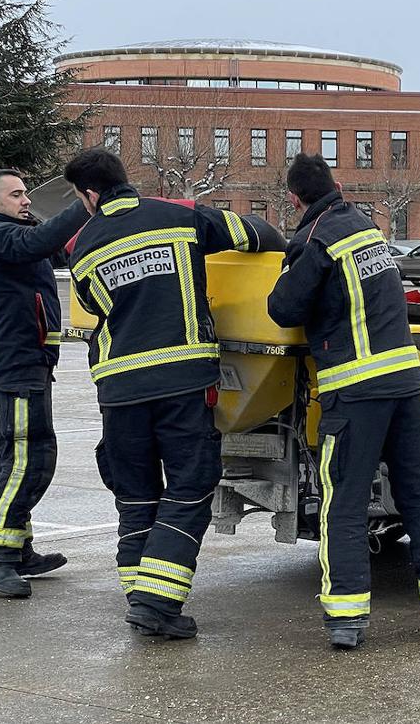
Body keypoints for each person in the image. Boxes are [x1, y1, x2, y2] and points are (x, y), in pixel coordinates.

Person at [64, 148, 271, 639]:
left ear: (90, 195)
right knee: (190, 484)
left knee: (134, 492)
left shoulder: (84, 244)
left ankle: (139, 594)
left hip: (118, 385)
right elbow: (257, 234)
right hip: (182, 380)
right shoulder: (180, 217)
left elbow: (96, 304)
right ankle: (158, 602)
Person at [268, 154, 420, 649]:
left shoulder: (315, 240)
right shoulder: (365, 227)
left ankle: (346, 619)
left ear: (294, 198)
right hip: (404, 385)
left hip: (356, 392)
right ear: (333, 185)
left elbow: (282, 308)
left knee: (345, 504)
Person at [0, 169, 92, 597]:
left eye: (25, 193)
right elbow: (38, 243)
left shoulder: (20, 236)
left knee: (27, 453)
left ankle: (17, 547)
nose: (25, 200)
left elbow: (58, 250)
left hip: (31, 361)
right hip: (11, 362)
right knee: (26, 458)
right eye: (16, 194)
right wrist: (84, 203)